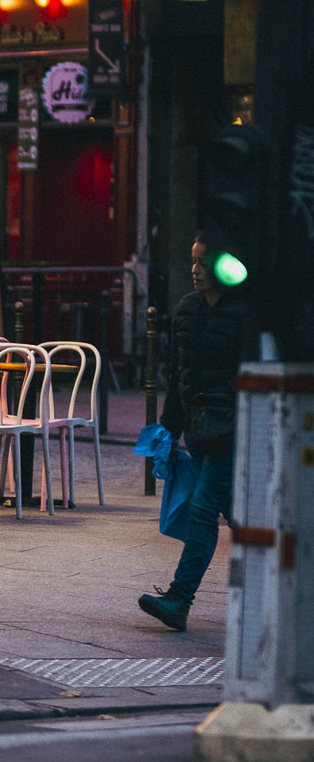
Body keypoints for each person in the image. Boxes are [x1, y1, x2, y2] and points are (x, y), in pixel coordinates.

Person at [138, 230, 247, 633]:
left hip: (231, 431)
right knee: (235, 512)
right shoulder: (185, 309)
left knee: (203, 510)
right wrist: (169, 430)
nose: (195, 269)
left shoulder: (244, 313)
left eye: (203, 261)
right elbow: (177, 375)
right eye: (193, 261)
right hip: (198, 431)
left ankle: (179, 598)